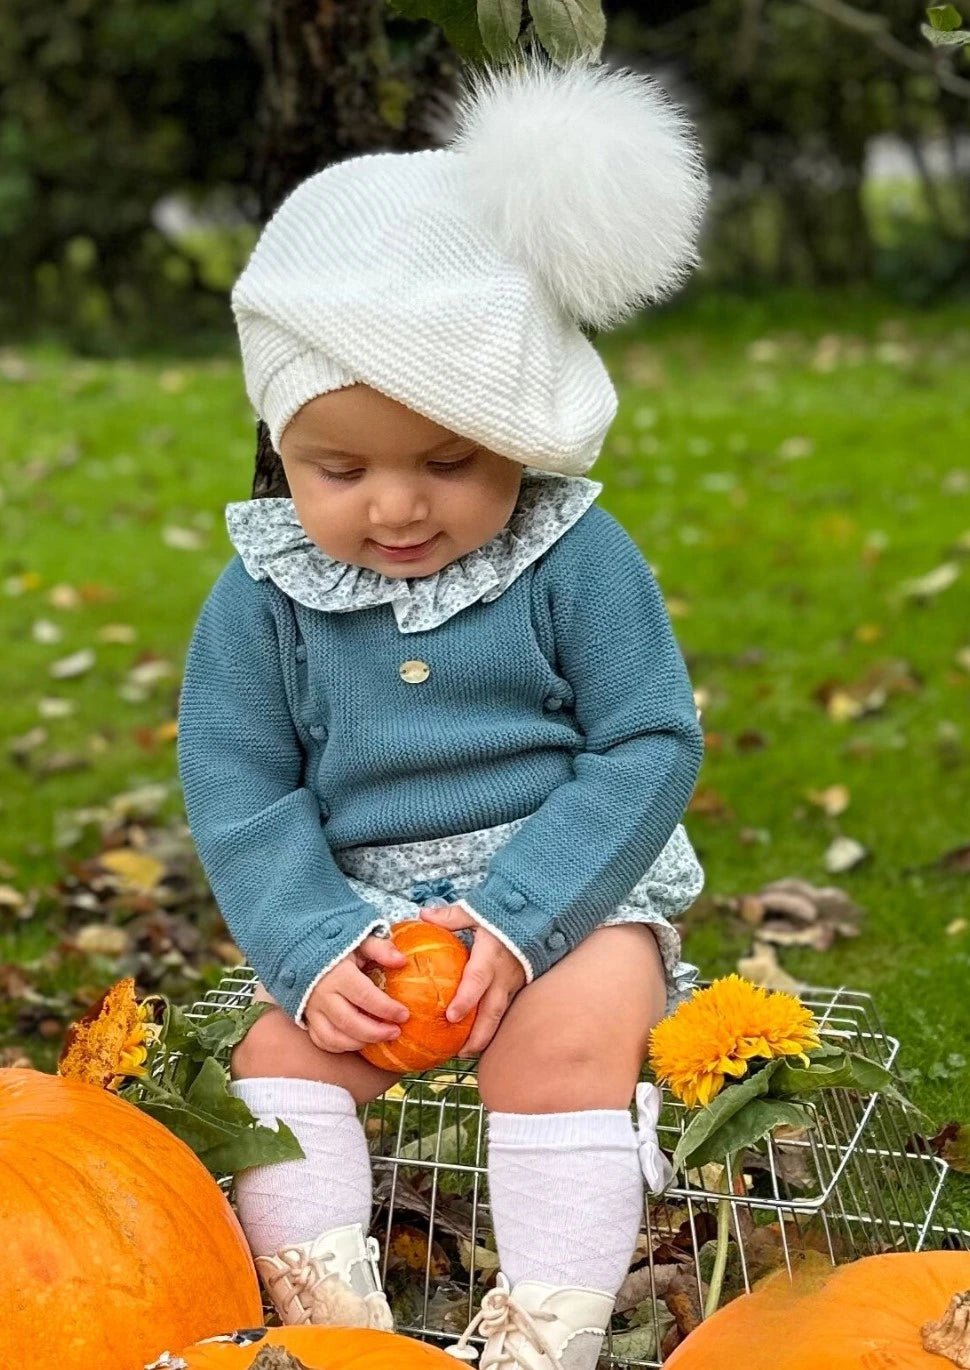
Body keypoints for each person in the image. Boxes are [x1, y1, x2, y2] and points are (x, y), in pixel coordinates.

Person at [177, 49, 709, 1370]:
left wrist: (524, 918)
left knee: (565, 1040)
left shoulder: (573, 558)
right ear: (282, 445)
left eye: (447, 461)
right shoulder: (264, 599)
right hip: (362, 905)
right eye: (338, 467)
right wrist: (312, 942)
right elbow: (244, 787)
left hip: (564, 887)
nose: (397, 507)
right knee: (279, 1061)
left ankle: (546, 1335)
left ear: (518, 429)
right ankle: (338, 1331)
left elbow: (644, 740)